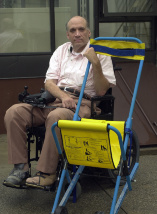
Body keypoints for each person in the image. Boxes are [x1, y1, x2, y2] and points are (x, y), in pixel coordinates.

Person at [3, 16, 116, 189]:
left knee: (57, 117)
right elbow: (49, 83)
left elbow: (102, 90)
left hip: (84, 104)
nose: (77, 34)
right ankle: (20, 169)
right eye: (73, 30)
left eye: (81, 29)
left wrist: (95, 63)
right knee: (14, 112)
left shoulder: (101, 52)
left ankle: (47, 173)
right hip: (56, 98)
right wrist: (63, 97)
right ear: (68, 34)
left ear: (88, 32)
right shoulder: (61, 50)